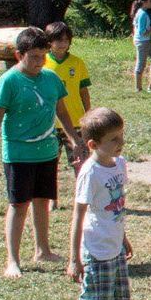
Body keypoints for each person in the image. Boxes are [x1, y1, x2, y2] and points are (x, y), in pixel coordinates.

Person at [0, 27, 86, 278]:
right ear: (19, 55)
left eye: (42, 56)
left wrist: (75, 140)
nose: (39, 62)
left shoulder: (51, 78)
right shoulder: (8, 81)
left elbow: (62, 112)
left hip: (46, 151)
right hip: (19, 154)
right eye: (33, 57)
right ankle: (13, 260)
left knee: (42, 201)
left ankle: (43, 250)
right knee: (19, 205)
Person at [62, 108, 135, 300]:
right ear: (93, 145)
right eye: (114, 139)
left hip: (114, 246)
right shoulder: (90, 173)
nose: (120, 143)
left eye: (121, 136)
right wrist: (73, 259)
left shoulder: (118, 164)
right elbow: (78, 215)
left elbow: (115, 208)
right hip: (96, 251)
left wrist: (123, 236)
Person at [45, 21, 93, 203]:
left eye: (66, 40)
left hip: (75, 122)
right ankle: (52, 200)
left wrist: (89, 115)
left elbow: (83, 92)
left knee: (81, 163)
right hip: (50, 124)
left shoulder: (77, 63)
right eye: (58, 40)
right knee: (49, 165)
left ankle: (83, 198)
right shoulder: (42, 62)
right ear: (49, 41)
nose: (63, 44)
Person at [131, 0, 151, 92]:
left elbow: (140, 28)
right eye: (150, 1)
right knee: (141, 64)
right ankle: (138, 88)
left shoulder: (140, 12)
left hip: (145, 41)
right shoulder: (143, 14)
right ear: (144, 2)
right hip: (142, 42)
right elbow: (142, 32)